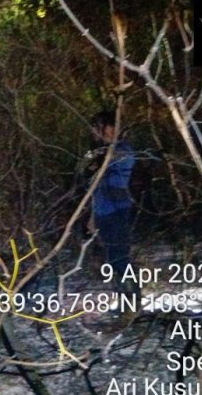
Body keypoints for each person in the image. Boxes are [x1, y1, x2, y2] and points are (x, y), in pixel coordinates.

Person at [87, 110, 139, 300]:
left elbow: (116, 160)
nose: (95, 133)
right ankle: (124, 297)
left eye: (98, 128)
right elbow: (95, 187)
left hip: (117, 210)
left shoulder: (122, 149)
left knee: (120, 257)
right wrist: (93, 217)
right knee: (111, 258)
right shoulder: (100, 152)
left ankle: (133, 298)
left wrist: (100, 156)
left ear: (109, 128)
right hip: (102, 211)